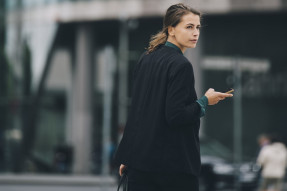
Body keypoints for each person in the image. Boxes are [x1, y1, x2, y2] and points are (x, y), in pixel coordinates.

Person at [114, 3, 233, 191]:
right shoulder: (180, 65)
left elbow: (138, 112)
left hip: (140, 165)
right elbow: (176, 115)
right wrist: (205, 101)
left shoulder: (146, 58)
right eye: (189, 27)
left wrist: (130, 156)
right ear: (171, 29)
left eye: (198, 27)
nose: (195, 33)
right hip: (172, 169)